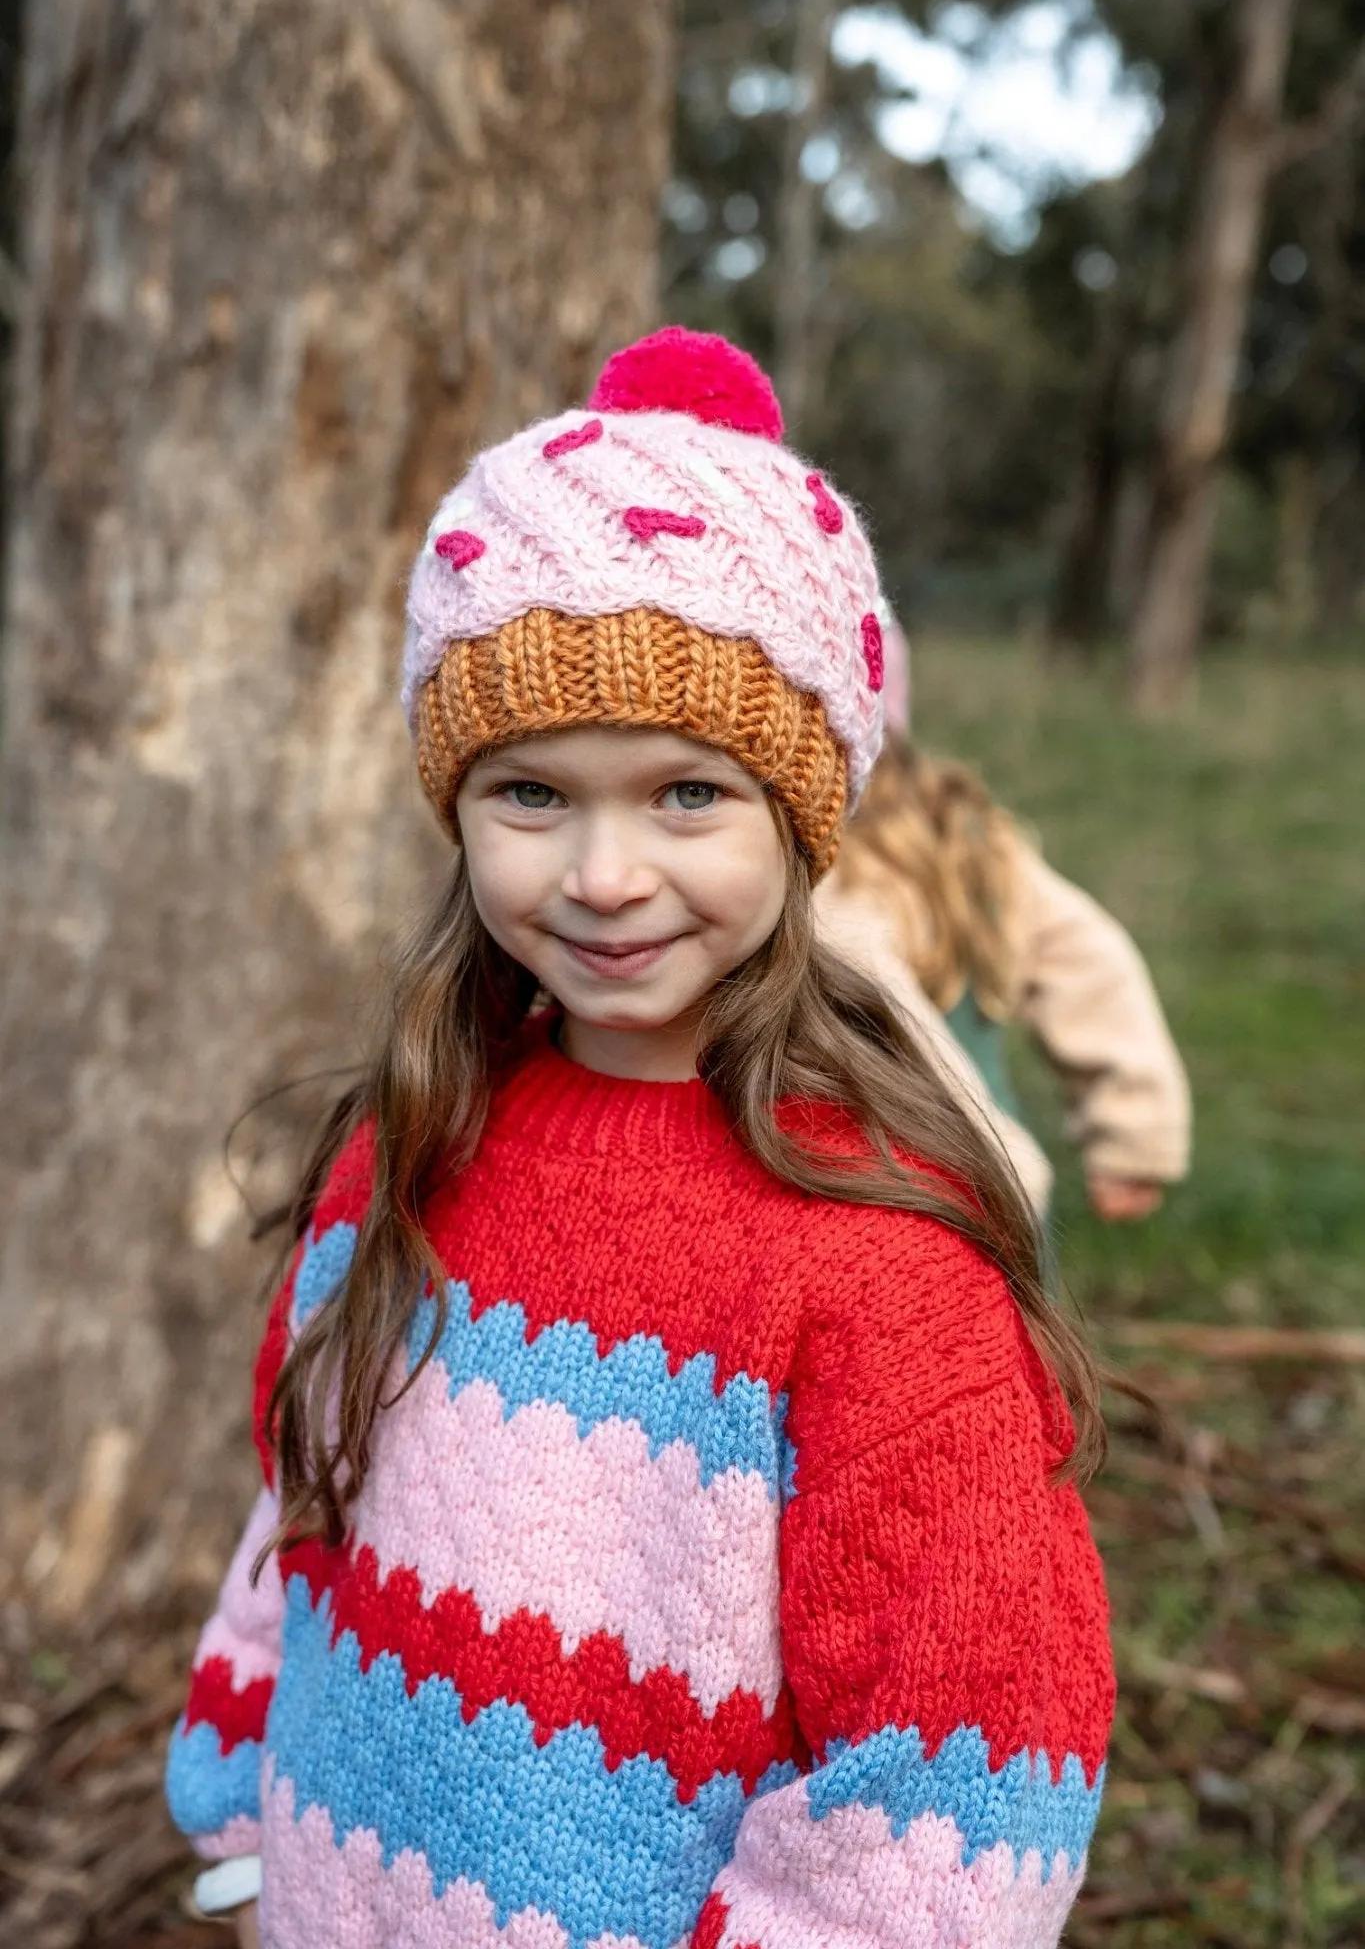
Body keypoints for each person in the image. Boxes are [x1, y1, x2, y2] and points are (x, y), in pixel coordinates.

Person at [166, 328, 1114, 1949]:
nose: (604, 874)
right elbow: (299, 1501)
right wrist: (249, 1812)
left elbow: (960, 1777)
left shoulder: (879, 1256)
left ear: (802, 811)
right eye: (531, 792)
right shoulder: (419, 1136)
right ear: (453, 806)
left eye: (688, 794)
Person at [819, 621, 1190, 1227]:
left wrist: (999, 1170)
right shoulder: (974, 837)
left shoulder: (824, 881)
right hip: (996, 1190)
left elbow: (897, 1024)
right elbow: (1091, 958)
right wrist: (1134, 1131)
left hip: (935, 1204)